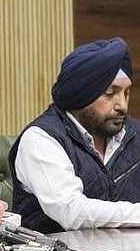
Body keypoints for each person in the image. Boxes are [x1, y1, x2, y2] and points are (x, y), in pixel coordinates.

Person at [10, 37, 140, 233]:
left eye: (126, 93)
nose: (122, 104)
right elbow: (72, 212)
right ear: (82, 95)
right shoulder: (41, 138)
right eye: (110, 93)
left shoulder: (134, 132)